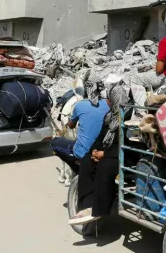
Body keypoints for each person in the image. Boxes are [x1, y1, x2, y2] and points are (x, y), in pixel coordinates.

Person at [68, 84, 129, 226]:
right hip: (107, 151)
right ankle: (87, 204)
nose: (108, 102)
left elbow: (126, 143)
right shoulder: (110, 116)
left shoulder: (127, 116)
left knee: (104, 167)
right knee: (86, 161)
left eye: (110, 99)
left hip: (121, 154)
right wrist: (95, 151)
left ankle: (99, 209)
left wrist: (105, 154)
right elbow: (101, 136)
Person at [49, 82, 110, 173]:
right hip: (103, 150)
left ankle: (77, 170)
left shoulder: (80, 105)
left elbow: (71, 126)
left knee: (54, 142)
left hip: (84, 152)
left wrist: (71, 119)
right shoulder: (109, 105)